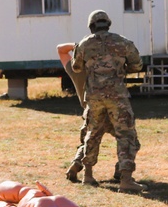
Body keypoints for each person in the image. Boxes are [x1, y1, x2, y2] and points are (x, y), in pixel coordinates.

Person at [70, 10, 145, 192]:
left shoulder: (84, 44)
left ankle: (88, 176)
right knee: (125, 135)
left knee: (92, 133)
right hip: (117, 96)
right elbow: (138, 65)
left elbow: (76, 67)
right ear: (108, 23)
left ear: (91, 25)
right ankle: (126, 179)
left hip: (94, 97)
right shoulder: (123, 42)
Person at [58, 42, 119, 185]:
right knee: (127, 139)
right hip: (111, 111)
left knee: (88, 142)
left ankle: (76, 164)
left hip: (90, 111)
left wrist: (77, 45)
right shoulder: (103, 68)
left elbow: (60, 50)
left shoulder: (75, 71)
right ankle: (121, 170)